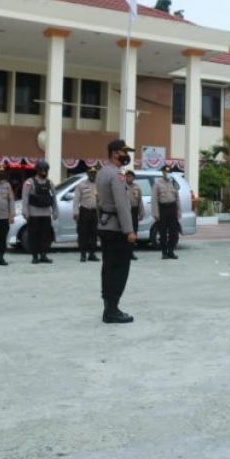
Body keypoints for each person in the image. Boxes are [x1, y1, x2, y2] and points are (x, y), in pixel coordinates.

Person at [96, 139, 137, 324]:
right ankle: (112, 310)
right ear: (115, 153)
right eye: (124, 152)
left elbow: (99, 203)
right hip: (117, 229)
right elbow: (122, 205)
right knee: (119, 269)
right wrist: (129, 230)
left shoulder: (102, 172)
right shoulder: (117, 175)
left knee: (108, 268)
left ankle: (109, 308)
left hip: (105, 226)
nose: (126, 155)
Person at [21, 159, 58, 264]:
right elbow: (25, 198)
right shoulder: (30, 182)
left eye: (46, 170)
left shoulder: (49, 183)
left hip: (46, 214)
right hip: (34, 214)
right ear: (37, 170)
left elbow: (54, 198)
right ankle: (35, 256)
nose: (44, 172)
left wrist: (55, 211)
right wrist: (25, 212)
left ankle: (44, 255)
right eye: (42, 170)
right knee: (34, 236)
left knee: (46, 236)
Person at [151, 165, 181, 260]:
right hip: (163, 209)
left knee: (173, 232)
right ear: (162, 173)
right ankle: (164, 252)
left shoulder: (173, 183)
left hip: (172, 208)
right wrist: (156, 213)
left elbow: (177, 199)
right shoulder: (157, 184)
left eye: (169, 172)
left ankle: (171, 251)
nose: (167, 174)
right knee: (163, 232)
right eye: (165, 172)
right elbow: (154, 200)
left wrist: (179, 211)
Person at [73, 164, 100, 262]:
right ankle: (83, 254)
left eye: (94, 173)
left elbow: (101, 200)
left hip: (94, 212)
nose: (93, 175)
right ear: (87, 174)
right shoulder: (81, 185)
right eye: (91, 173)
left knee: (94, 233)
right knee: (83, 233)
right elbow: (76, 200)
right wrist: (76, 212)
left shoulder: (98, 185)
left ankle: (92, 254)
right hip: (84, 211)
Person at [124, 170, 144, 261]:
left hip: (134, 211)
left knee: (134, 231)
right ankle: (124, 252)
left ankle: (131, 252)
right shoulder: (122, 187)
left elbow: (140, 201)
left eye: (131, 177)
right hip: (125, 211)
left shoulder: (137, 187)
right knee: (125, 232)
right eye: (128, 176)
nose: (129, 178)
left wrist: (141, 212)